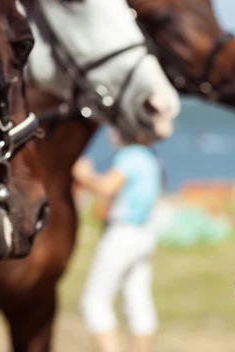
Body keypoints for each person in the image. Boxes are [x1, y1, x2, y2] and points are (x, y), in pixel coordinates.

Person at [73, 128, 163, 352]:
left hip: (122, 234)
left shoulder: (129, 156)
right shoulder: (151, 157)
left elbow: (106, 188)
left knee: (94, 302)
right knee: (138, 302)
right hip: (144, 233)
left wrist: (84, 174)